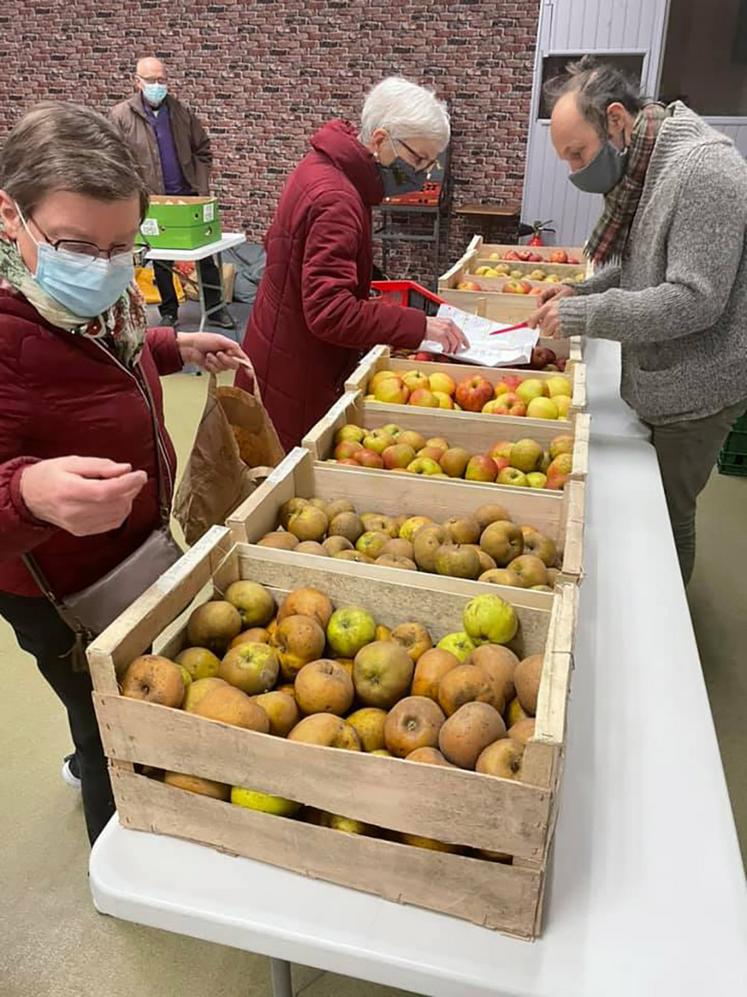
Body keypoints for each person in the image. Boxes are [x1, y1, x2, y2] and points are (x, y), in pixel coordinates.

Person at [0, 102, 249, 845]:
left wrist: (170, 347)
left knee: (120, 687)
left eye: (121, 246)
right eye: (78, 245)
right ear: (10, 215)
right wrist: (25, 493)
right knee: (106, 714)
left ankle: (91, 755)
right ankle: (118, 853)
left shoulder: (96, 302)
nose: (103, 267)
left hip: (128, 547)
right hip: (56, 581)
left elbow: (108, 357)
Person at [528, 57, 747, 584]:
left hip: (696, 389)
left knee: (669, 518)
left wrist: (584, 313)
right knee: (646, 511)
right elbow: (640, 263)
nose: (575, 171)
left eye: (578, 153)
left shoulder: (704, 172)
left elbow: (694, 299)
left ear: (616, 120)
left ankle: (669, 616)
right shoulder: (648, 165)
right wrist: (580, 289)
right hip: (661, 375)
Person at [236, 76, 468, 451]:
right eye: (417, 159)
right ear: (380, 139)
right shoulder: (337, 200)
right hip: (299, 372)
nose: (423, 173)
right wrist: (418, 325)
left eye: (430, 162)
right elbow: (329, 312)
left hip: (279, 346)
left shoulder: (321, 168)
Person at [111, 56, 234, 330]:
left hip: (187, 196)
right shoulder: (121, 116)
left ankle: (215, 308)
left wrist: (200, 186)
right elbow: (114, 159)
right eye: (151, 80)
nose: (158, 85)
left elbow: (203, 149)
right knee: (160, 259)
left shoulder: (180, 112)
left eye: (162, 79)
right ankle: (169, 312)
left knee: (205, 255)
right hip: (152, 201)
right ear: (137, 82)